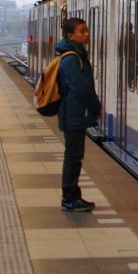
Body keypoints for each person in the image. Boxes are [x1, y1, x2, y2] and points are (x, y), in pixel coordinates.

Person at [55, 17, 101, 212]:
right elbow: (82, 88)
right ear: (70, 35)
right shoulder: (73, 58)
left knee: (74, 155)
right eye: (82, 31)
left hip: (72, 112)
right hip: (73, 113)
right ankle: (69, 198)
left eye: (87, 30)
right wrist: (96, 107)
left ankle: (72, 195)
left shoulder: (72, 55)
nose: (86, 34)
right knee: (73, 157)